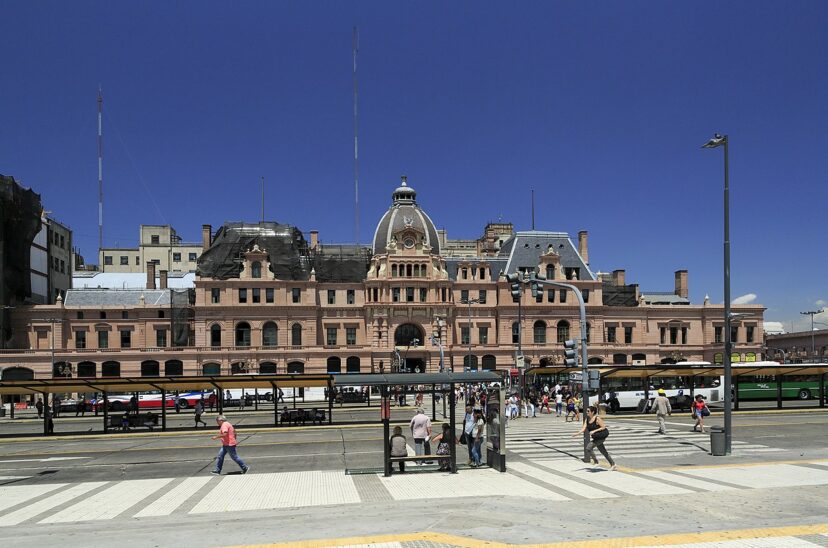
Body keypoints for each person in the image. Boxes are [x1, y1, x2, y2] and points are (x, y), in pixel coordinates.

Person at [573, 405, 616, 471]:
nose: (586, 412)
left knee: (588, 447)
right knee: (603, 452)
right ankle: (613, 465)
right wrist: (577, 434)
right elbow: (583, 428)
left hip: (601, 436)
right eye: (586, 411)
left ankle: (596, 462)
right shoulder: (587, 419)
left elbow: (603, 427)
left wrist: (594, 431)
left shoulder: (597, 418)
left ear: (592, 412)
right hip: (596, 437)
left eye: (588, 411)